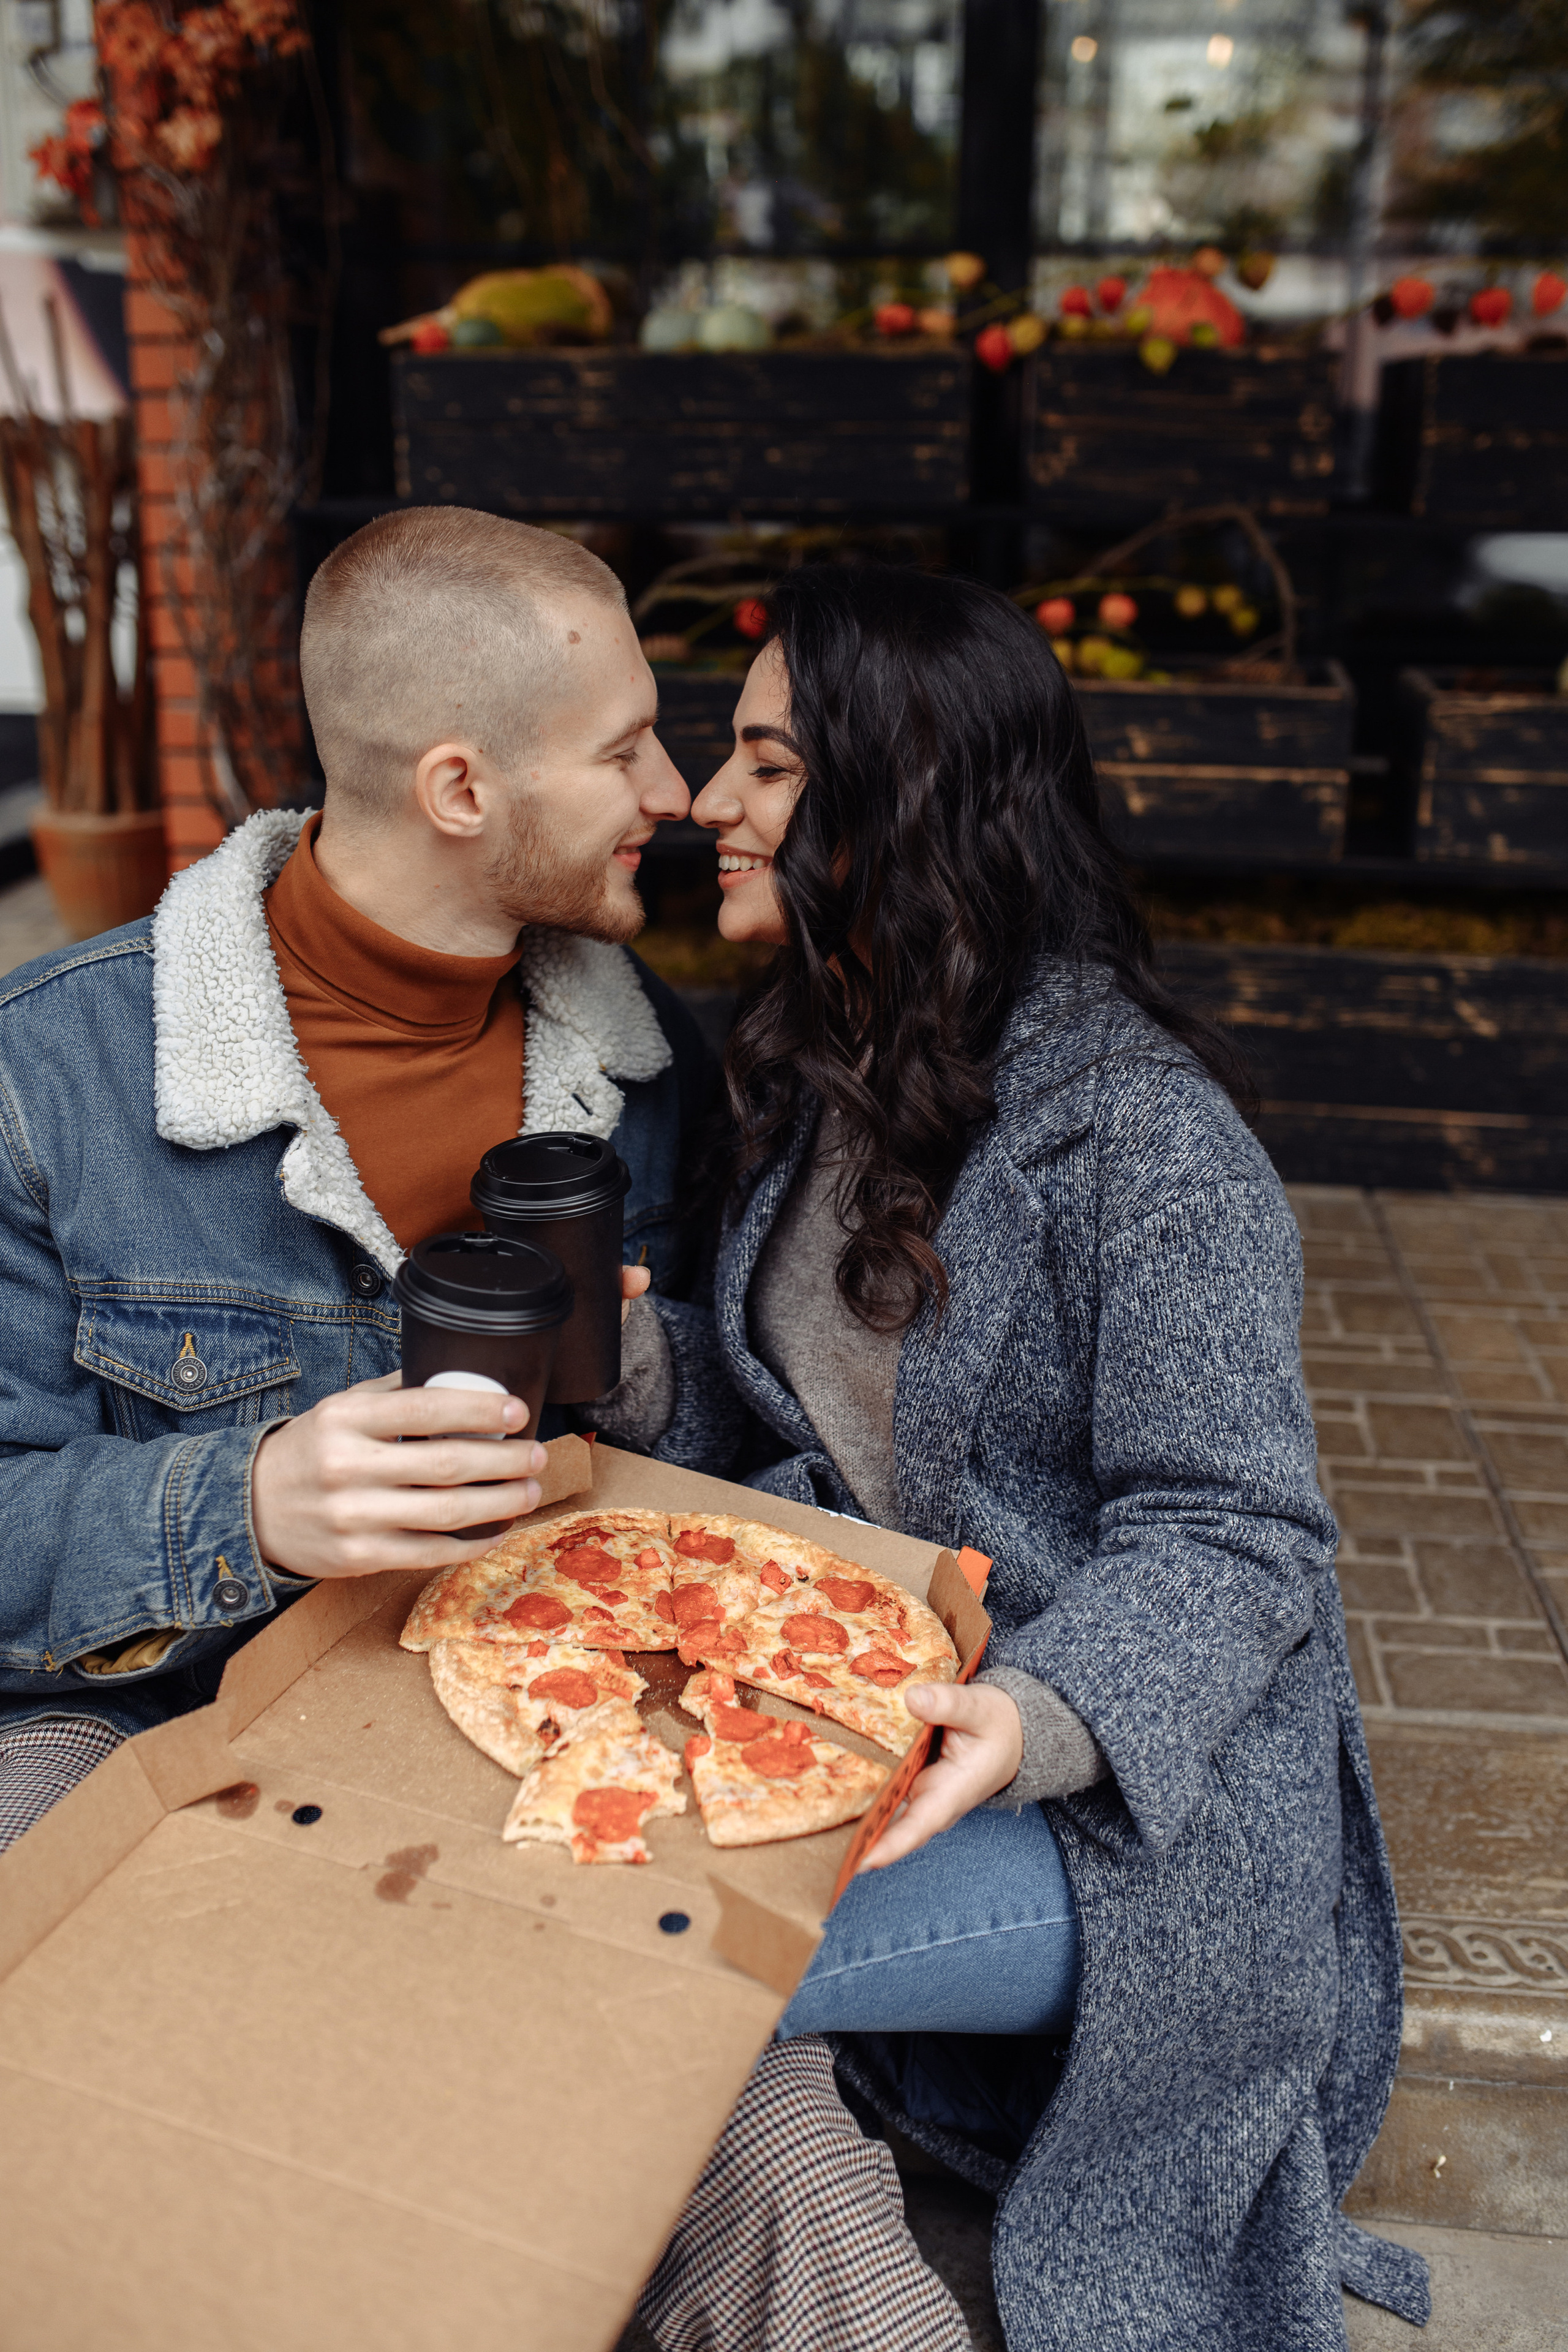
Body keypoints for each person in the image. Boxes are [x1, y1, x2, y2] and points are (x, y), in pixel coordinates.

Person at [588, 567, 1430, 2351]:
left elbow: (1238, 1530)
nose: (707, 801)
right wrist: (628, 1357)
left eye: (766, 765)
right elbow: (793, 1428)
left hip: (1126, 1819)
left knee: (639, 1968)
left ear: (904, 796)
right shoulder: (819, 1065)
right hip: (879, 1715)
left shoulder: (1145, 1140)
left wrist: (1033, 1718)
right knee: (576, 1898)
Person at [0, 507, 710, 1851]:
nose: (673, 792)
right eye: (623, 752)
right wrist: (249, 1506)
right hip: (152, 1717)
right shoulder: (41, 1076)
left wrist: (651, 1373)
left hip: (543, 1708)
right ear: (460, 793)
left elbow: (727, 1455)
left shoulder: (654, 1064)